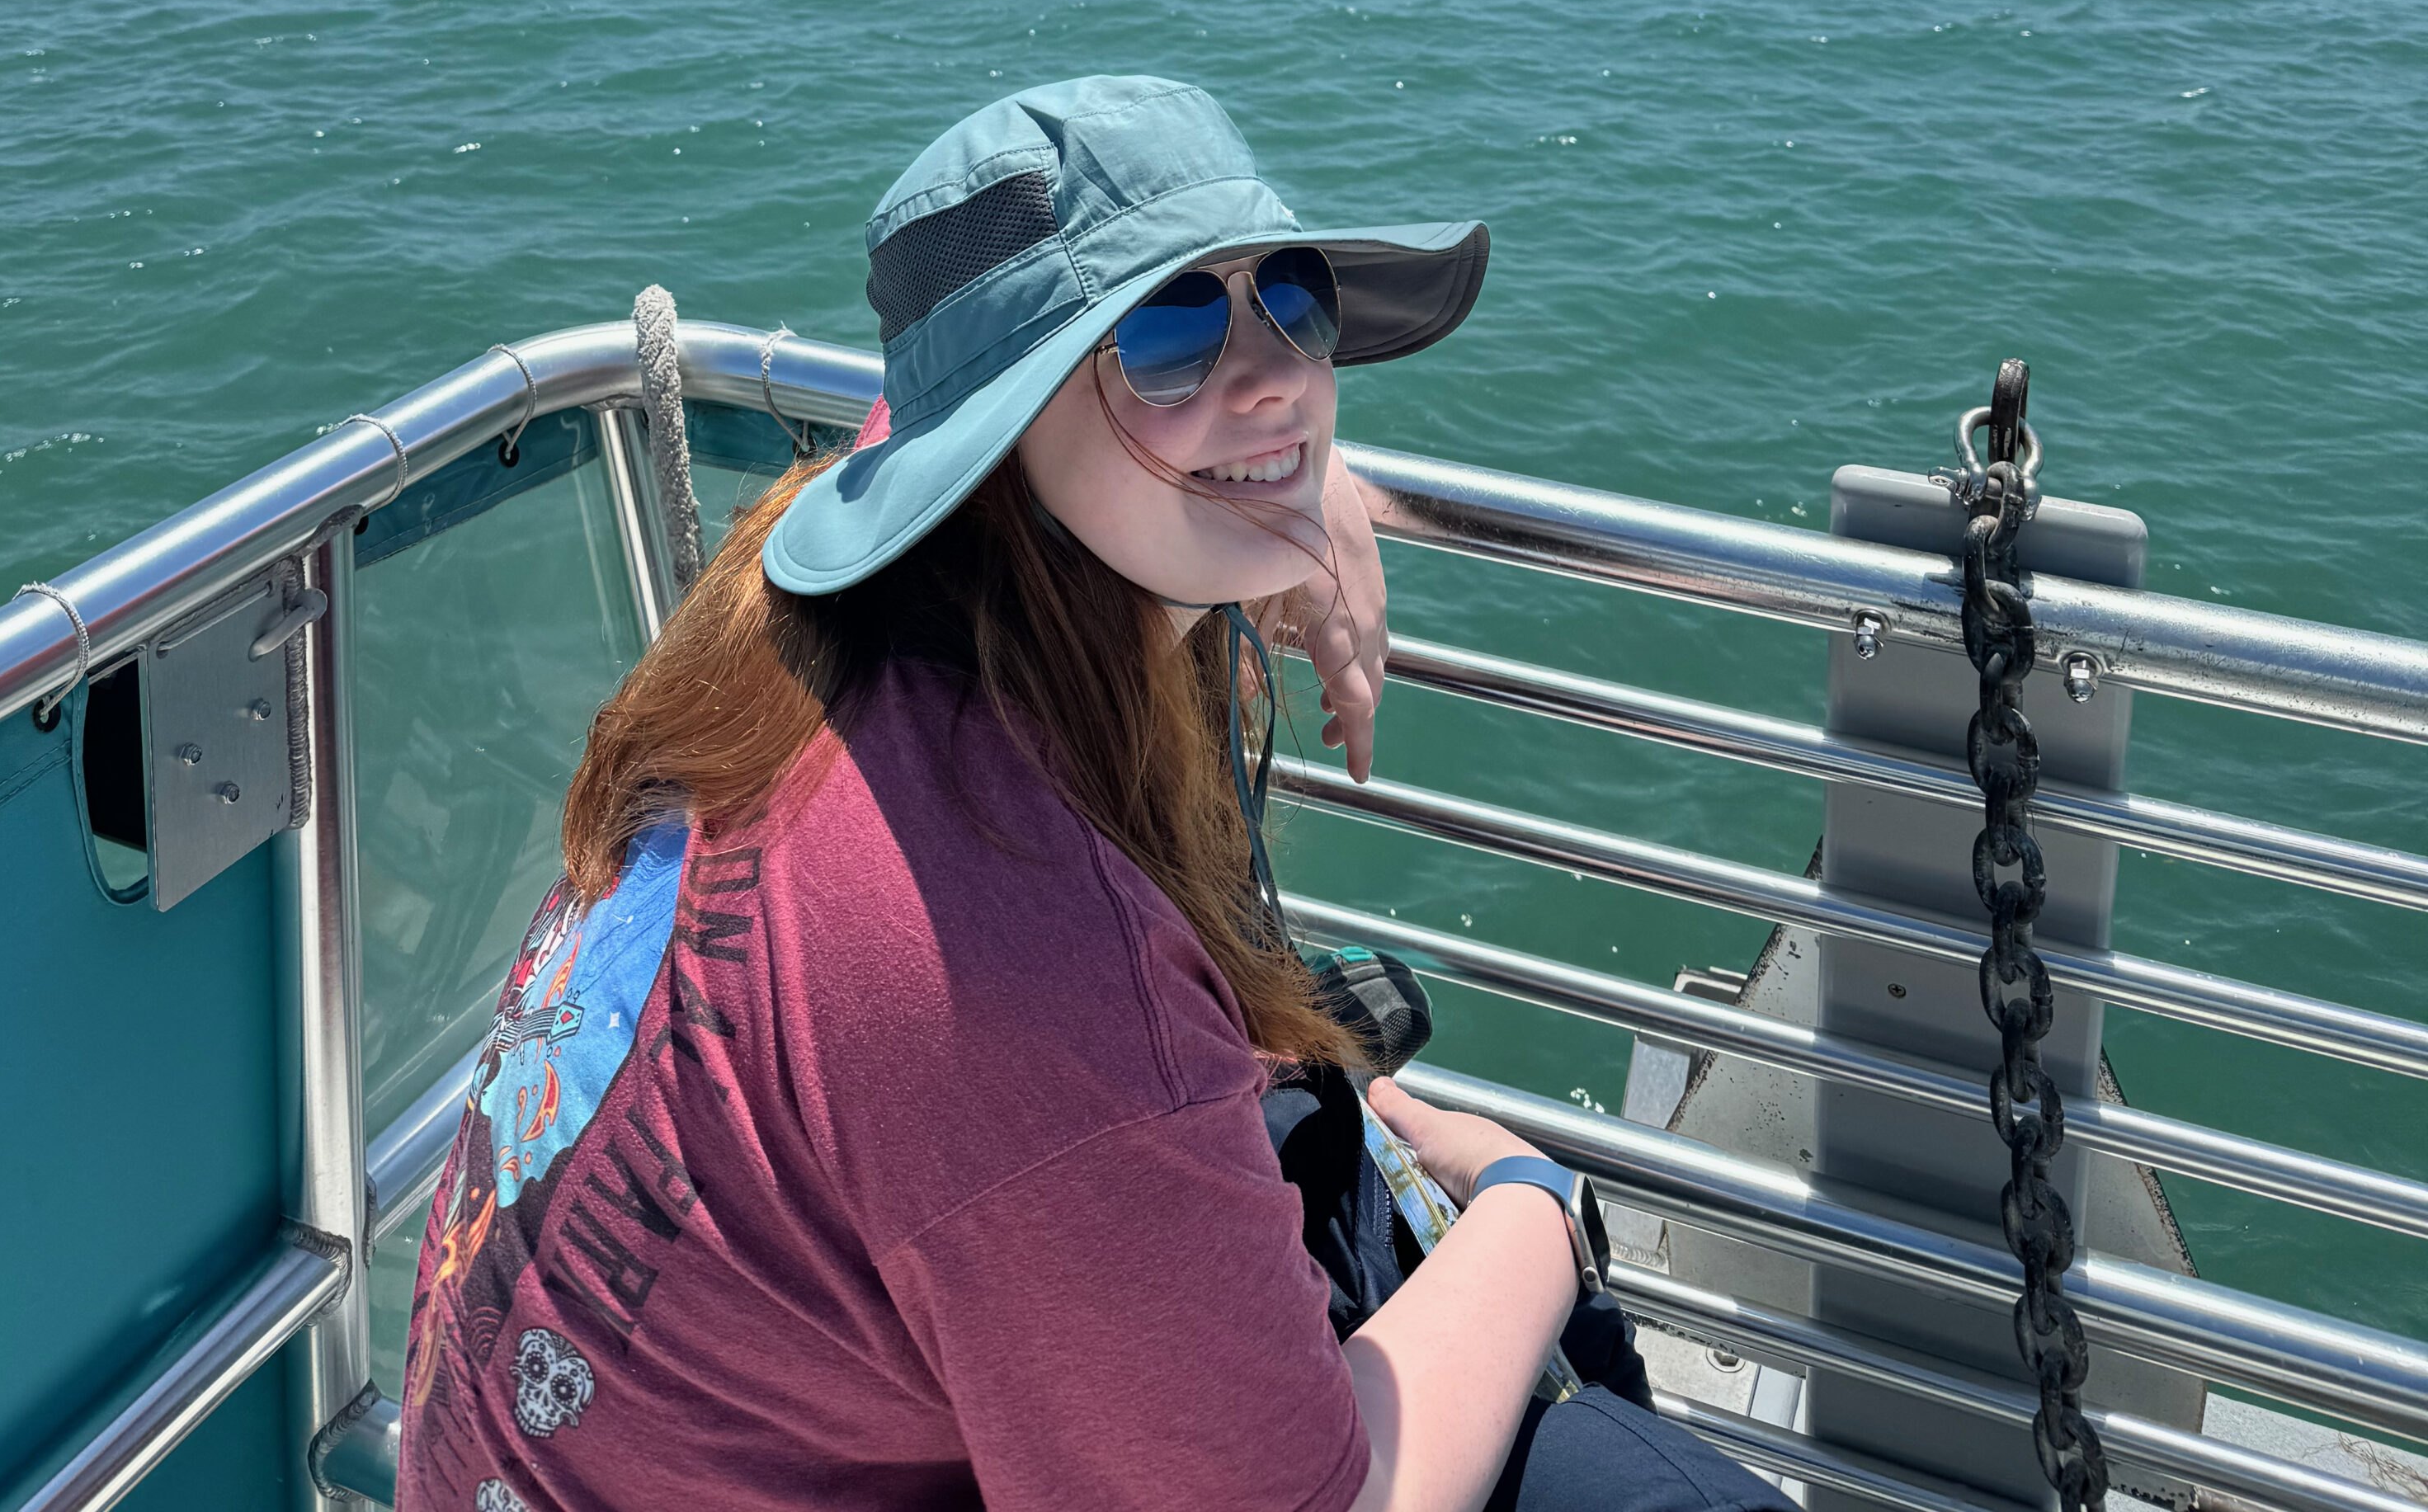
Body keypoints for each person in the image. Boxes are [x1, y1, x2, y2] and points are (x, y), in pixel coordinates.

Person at [399, 76, 1776, 1512]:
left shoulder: (823, 643)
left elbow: (1065, 417)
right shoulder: (1019, 952)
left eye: (1289, 301)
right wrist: (1533, 1205)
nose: (1277, 379)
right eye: (1167, 333)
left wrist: (1310, 499)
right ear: (990, 447)